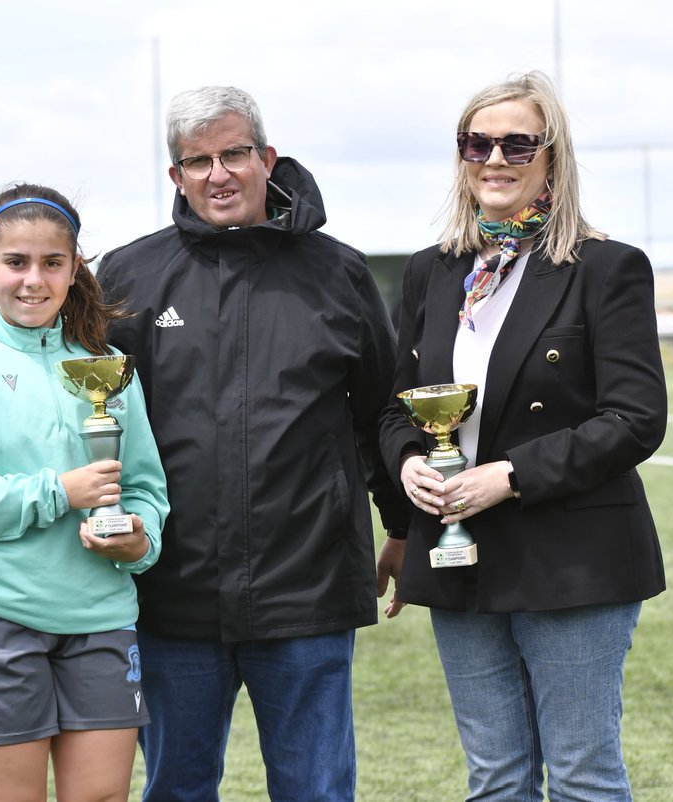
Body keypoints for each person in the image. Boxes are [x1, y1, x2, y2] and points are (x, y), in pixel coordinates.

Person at [96, 86, 411, 802]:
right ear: (176, 176)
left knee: (316, 792)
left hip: (308, 588)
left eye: (234, 154)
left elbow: (380, 411)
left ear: (267, 159)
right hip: (172, 593)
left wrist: (401, 526)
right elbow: (93, 422)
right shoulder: (129, 276)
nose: (219, 174)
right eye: (197, 161)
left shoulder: (339, 272)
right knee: (176, 789)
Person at [378, 71, 667, 801]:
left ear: (552, 157)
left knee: (582, 778)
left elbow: (635, 418)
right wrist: (409, 461)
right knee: (494, 779)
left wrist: (508, 475)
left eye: (517, 144)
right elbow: (395, 407)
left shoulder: (605, 268)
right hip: (457, 555)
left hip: (571, 557)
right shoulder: (432, 272)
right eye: (477, 144)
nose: (496, 159)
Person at [0, 183, 169, 802]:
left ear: (75, 268)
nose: (33, 280)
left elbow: (143, 486)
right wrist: (58, 491)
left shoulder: (109, 368)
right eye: (15, 262)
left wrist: (138, 541)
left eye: (52, 262)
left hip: (101, 616)